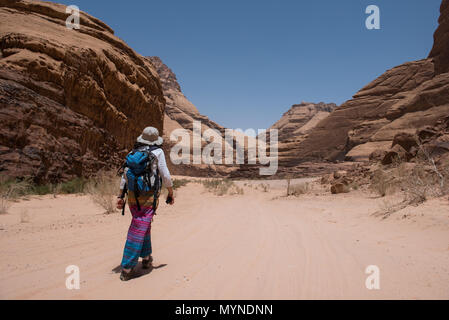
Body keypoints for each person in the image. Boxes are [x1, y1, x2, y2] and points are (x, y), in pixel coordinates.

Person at [116, 126, 174, 281]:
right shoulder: (158, 152)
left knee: (143, 224)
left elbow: (124, 176)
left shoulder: (132, 153)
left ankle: (147, 258)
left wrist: (120, 196)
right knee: (138, 227)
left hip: (133, 197)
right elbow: (165, 174)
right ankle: (127, 267)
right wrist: (170, 192)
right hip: (148, 197)